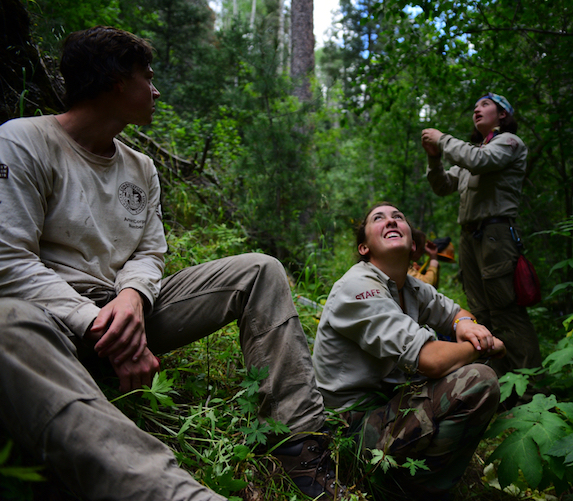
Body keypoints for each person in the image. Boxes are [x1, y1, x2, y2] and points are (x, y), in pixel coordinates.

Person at [0, 26, 338, 501]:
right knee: (5, 323)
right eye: (148, 77)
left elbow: (149, 250)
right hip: (53, 320)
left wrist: (133, 298)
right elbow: (8, 261)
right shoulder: (23, 141)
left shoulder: (141, 167)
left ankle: (301, 446)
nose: (155, 90)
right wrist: (99, 324)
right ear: (118, 81)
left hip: (127, 308)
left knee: (259, 269)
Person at [312, 203, 504, 500]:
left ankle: (413, 482)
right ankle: (404, 490)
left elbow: (454, 312)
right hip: (347, 431)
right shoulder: (357, 286)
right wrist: (480, 347)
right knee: (477, 379)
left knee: (468, 377)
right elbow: (431, 360)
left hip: (386, 408)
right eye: (379, 219)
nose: (390, 221)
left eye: (397, 217)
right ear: (364, 247)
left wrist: (466, 324)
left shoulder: (410, 287)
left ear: (413, 244)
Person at [421, 92, 542, 376]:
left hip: (496, 236)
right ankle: (500, 386)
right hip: (471, 239)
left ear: (502, 114)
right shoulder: (472, 151)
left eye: (485, 104)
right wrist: (434, 159)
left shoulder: (509, 143)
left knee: (506, 312)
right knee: (482, 314)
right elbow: (442, 185)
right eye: (475, 106)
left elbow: (480, 161)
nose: (477, 109)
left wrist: (442, 139)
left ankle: (532, 392)